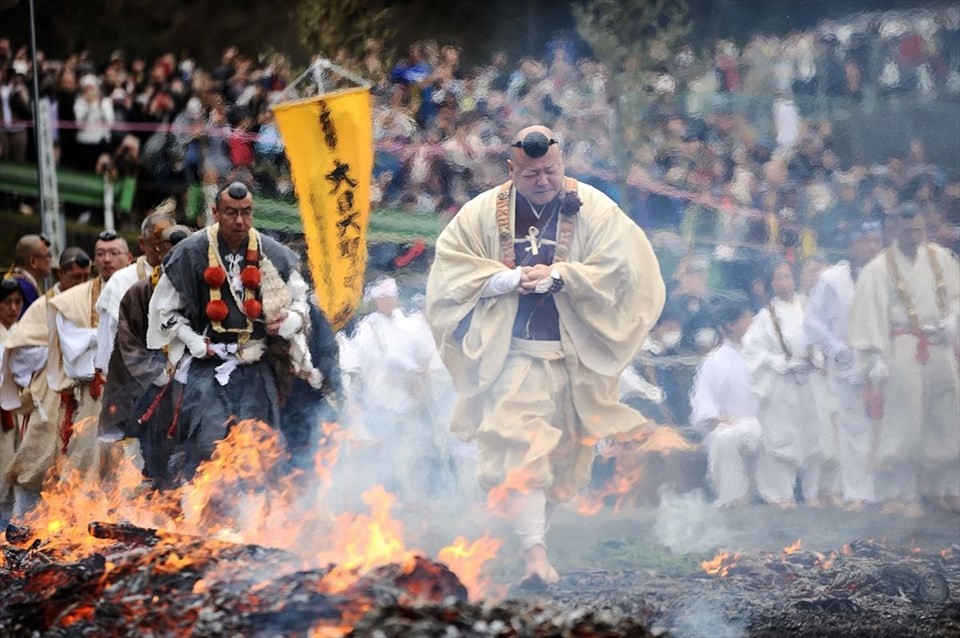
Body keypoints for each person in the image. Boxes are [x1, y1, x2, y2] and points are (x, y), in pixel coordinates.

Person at [426, 125, 665, 584]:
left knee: (562, 463)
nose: (542, 180)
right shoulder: (481, 213)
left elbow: (623, 267)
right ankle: (534, 553)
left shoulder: (594, 207)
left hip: (575, 357)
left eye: (550, 170)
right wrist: (507, 279)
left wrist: (563, 276)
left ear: (563, 164)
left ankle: (532, 540)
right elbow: (450, 269)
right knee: (523, 445)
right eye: (531, 172)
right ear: (511, 170)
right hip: (516, 354)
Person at [146, 182, 322, 480]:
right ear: (215, 213)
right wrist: (191, 339)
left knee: (260, 448)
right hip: (209, 366)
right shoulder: (190, 252)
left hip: (256, 367)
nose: (239, 221)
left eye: (246, 213)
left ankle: (253, 519)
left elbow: (301, 301)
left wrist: (292, 319)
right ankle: (205, 517)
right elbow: (163, 310)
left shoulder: (274, 253)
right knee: (207, 444)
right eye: (231, 213)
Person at [849, 204, 960, 516]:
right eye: (908, 231)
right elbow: (870, 314)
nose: (915, 237)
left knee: (947, 417)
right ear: (894, 230)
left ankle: (944, 488)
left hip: (938, 343)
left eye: (919, 231)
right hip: (902, 346)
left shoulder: (940, 257)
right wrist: (875, 358)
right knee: (904, 420)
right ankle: (901, 493)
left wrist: (954, 318)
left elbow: (956, 298)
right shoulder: (878, 268)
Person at [0, 248, 92, 516]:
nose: (81, 283)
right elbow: (17, 359)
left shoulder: (91, 303)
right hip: (49, 396)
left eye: (86, 276)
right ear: (60, 274)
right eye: (75, 277)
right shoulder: (42, 308)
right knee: (36, 463)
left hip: (86, 396)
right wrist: (58, 351)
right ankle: (22, 526)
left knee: (80, 464)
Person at [99, 225, 192, 487]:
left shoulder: (203, 291)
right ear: (160, 253)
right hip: (154, 395)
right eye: (172, 253)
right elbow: (129, 347)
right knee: (157, 465)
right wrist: (159, 372)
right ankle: (157, 519)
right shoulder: (140, 293)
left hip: (193, 394)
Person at [804, 222, 883, 510]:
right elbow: (812, 322)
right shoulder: (832, 278)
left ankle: (891, 493)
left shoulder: (887, 273)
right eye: (866, 241)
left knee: (886, 429)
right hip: (848, 362)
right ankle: (857, 493)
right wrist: (837, 350)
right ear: (851, 245)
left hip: (885, 361)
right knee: (853, 430)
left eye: (877, 240)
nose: (872, 247)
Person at [47, 232, 130, 480]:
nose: (107, 259)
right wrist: (104, 337)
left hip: (135, 390)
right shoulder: (72, 300)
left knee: (129, 461)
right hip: (96, 392)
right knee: (86, 459)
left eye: (114, 253)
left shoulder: (145, 288)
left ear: (129, 257)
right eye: (101, 254)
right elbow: (72, 345)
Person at [744, 260, 823, 509]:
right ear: (770, 284)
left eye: (787, 276)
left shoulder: (809, 307)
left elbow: (822, 338)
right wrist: (778, 362)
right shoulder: (765, 317)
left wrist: (815, 358)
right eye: (778, 278)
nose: (784, 282)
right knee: (780, 439)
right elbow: (752, 352)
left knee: (813, 437)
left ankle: (812, 493)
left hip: (809, 380)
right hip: (781, 383)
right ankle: (781, 494)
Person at [348, 277, 435, 503]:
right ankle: (384, 497)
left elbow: (418, 347)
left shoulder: (403, 321)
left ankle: (412, 495)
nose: (390, 301)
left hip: (407, 398)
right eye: (385, 297)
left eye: (392, 296)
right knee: (386, 449)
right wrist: (415, 369)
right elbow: (387, 357)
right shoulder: (369, 326)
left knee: (411, 449)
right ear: (377, 300)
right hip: (381, 398)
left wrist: (418, 375)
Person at [689, 296, 761, 507]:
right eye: (747, 318)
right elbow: (703, 399)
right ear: (731, 324)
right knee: (724, 438)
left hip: (768, 421)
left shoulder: (762, 353)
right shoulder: (715, 361)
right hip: (732, 424)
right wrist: (715, 419)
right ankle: (733, 499)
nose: (753, 322)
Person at [94, 203, 177, 376]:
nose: (161, 251)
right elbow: (109, 342)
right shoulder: (121, 281)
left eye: (167, 244)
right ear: (141, 243)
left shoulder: (186, 275)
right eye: (155, 245)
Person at [0, 279, 24, 520]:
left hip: (20, 409)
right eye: (7, 303)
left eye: (18, 302)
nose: (13, 308)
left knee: (15, 469)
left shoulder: (23, 331)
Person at [4, 234, 53, 315]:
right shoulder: (25, 290)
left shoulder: (18, 283)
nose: (50, 260)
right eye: (47, 256)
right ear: (33, 261)